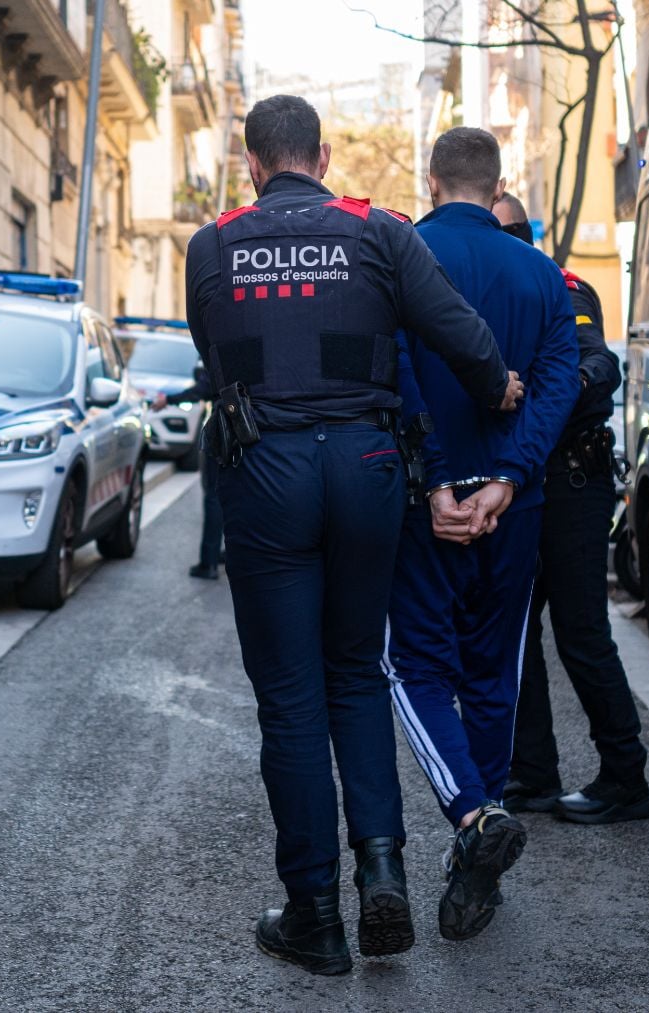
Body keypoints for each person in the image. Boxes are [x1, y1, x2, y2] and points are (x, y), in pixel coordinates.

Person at [184, 95, 524, 975]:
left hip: (265, 474)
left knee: (290, 697)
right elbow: (462, 336)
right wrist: (498, 392)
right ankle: (384, 874)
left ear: (253, 163)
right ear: (323, 157)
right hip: (370, 469)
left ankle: (313, 914)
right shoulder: (378, 232)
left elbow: (211, 351)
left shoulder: (213, 244)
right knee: (356, 676)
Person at [387, 130, 578, 942]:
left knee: (415, 664)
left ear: (431, 180)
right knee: (494, 671)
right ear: (497, 184)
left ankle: (473, 818)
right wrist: (510, 477)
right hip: (514, 503)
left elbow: (388, 372)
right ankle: (481, 847)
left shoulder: (401, 256)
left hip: (426, 502)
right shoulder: (542, 273)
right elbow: (560, 381)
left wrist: (435, 479)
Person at [489, 193, 649, 826]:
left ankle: (626, 777)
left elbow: (597, 366)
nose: (496, 239)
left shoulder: (561, 287)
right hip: (524, 484)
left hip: (572, 483)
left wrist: (545, 392)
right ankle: (533, 773)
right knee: (516, 634)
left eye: (505, 229)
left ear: (525, 233)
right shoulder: (496, 290)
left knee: (581, 634)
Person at [152, 364, 223, 579]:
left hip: (225, 435)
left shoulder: (222, 345)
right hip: (255, 434)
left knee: (214, 498)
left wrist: (168, 400)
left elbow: (202, 389)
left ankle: (208, 562)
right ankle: (225, 554)